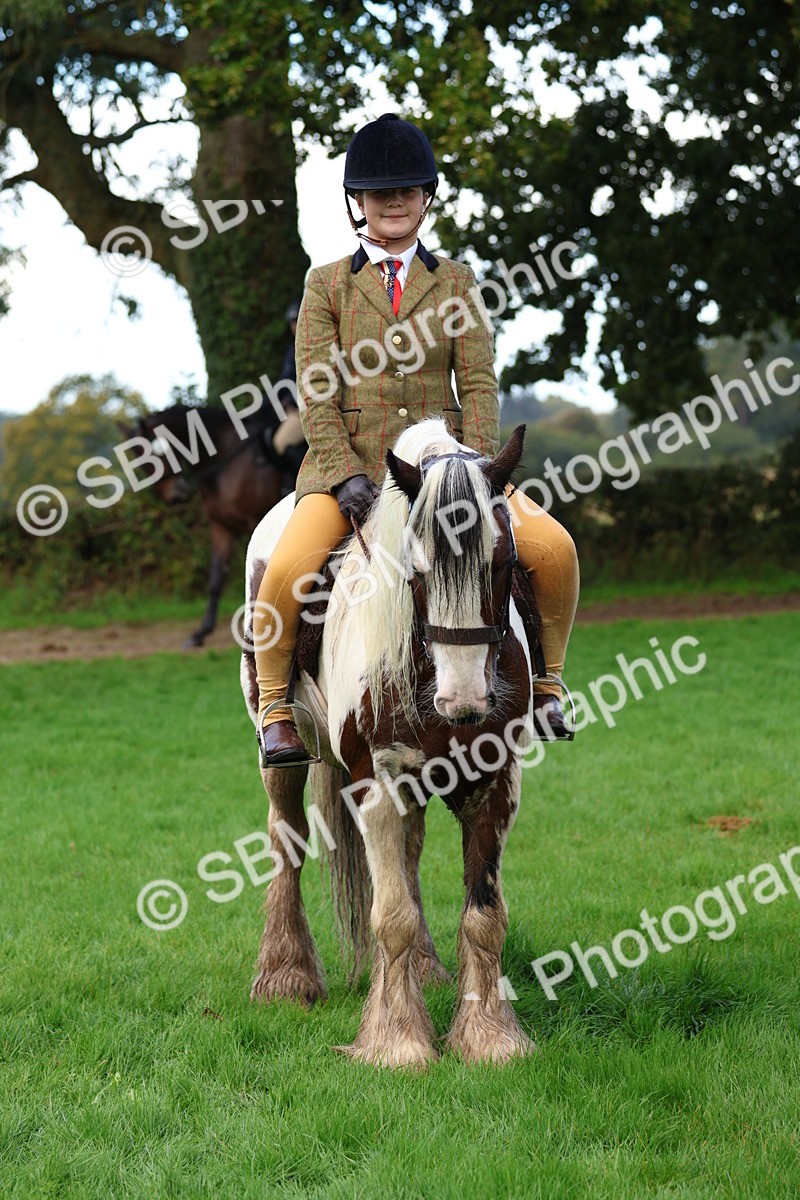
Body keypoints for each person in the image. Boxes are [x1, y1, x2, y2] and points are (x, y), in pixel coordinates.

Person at [254, 112, 579, 765]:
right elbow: (317, 390)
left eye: (406, 191)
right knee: (284, 572)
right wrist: (344, 471)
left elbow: (480, 384)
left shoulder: (457, 281)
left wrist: (479, 469)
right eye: (380, 194)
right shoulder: (325, 285)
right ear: (359, 204)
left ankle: (545, 685)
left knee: (555, 548)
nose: (393, 203)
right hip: (349, 471)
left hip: (452, 471)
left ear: (427, 197)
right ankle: (276, 710)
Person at [264, 300, 307, 477]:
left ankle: (303, 484)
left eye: (298, 320)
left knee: (279, 443)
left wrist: (293, 399)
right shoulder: (292, 349)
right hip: (295, 407)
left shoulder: (313, 343)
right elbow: (285, 381)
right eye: (292, 322)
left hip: (310, 408)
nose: (295, 326)